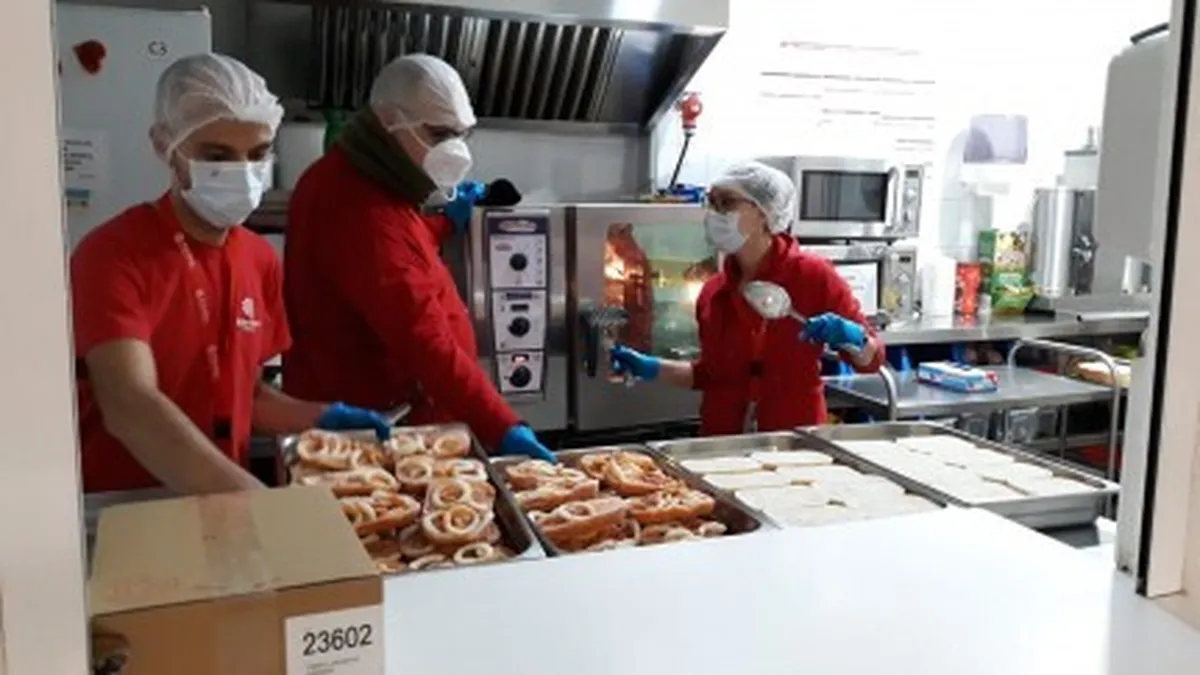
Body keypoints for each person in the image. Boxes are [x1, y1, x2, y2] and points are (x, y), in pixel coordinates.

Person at [70, 54, 391, 524]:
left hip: (224, 506)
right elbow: (129, 404)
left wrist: (320, 417)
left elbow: (249, 396)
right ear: (166, 147)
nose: (242, 171)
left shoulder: (259, 258)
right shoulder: (113, 255)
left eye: (258, 154)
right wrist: (258, 500)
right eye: (216, 156)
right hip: (129, 510)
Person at [282, 54, 554, 462]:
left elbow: (392, 253)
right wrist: (503, 426)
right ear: (390, 121)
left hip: (393, 414)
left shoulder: (363, 179)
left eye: (461, 135)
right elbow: (426, 342)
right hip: (372, 434)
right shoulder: (358, 206)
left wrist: (441, 225)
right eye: (440, 134)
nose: (455, 150)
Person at [609, 161, 886, 434]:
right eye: (711, 203)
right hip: (723, 441)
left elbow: (872, 361)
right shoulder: (713, 292)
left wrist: (854, 339)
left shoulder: (813, 276)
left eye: (726, 203)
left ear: (764, 214)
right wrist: (652, 368)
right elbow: (711, 376)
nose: (714, 214)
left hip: (793, 440)